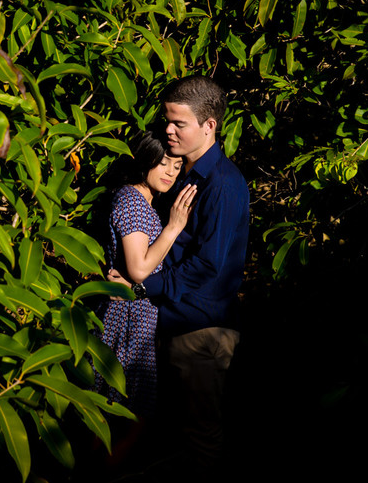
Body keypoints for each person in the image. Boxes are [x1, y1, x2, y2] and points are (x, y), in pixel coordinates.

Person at [111, 75, 250, 472]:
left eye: (179, 123)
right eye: (167, 121)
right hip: (175, 322)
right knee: (163, 435)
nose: (168, 130)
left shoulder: (222, 184)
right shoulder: (182, 175)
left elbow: (210, 266)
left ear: (209, 126)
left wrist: (144, 284)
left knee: (200, 439)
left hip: (199, 330)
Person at [97, 129, 197, 418]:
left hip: (135, 314)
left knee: (126, 407)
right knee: (122, 409)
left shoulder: (141, 202)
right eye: (164, 162)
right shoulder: (133, 201)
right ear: (146, 159)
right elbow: (139, 269)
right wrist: (174, 227)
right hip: (127, 317)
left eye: (177, 166)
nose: (171, 172)